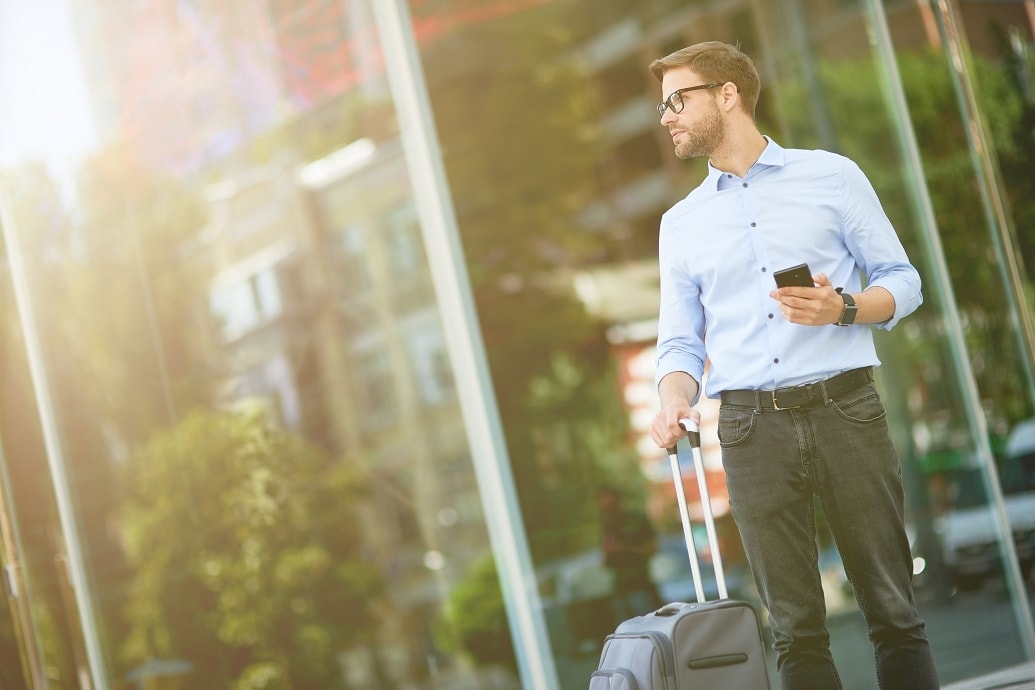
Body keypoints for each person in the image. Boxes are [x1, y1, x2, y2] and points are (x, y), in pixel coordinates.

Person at [646, 41, 940, 690]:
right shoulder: (680, 223)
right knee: (794, 630)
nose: (665, 116)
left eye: (677, 100)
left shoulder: (830, 176)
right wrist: (671, 399)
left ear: (726, 95)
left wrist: (843, 309)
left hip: (846, 409)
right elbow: (680, 342)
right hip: (751, 429)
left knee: (893, 610)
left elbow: (903, 281)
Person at [595, 486, 662, 624]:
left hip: (639, 582)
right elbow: (606, 557)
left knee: (648, 623)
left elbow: (652, 547)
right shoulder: (608, 525)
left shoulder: (636, 520)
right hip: (621, 586)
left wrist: (628, 548)